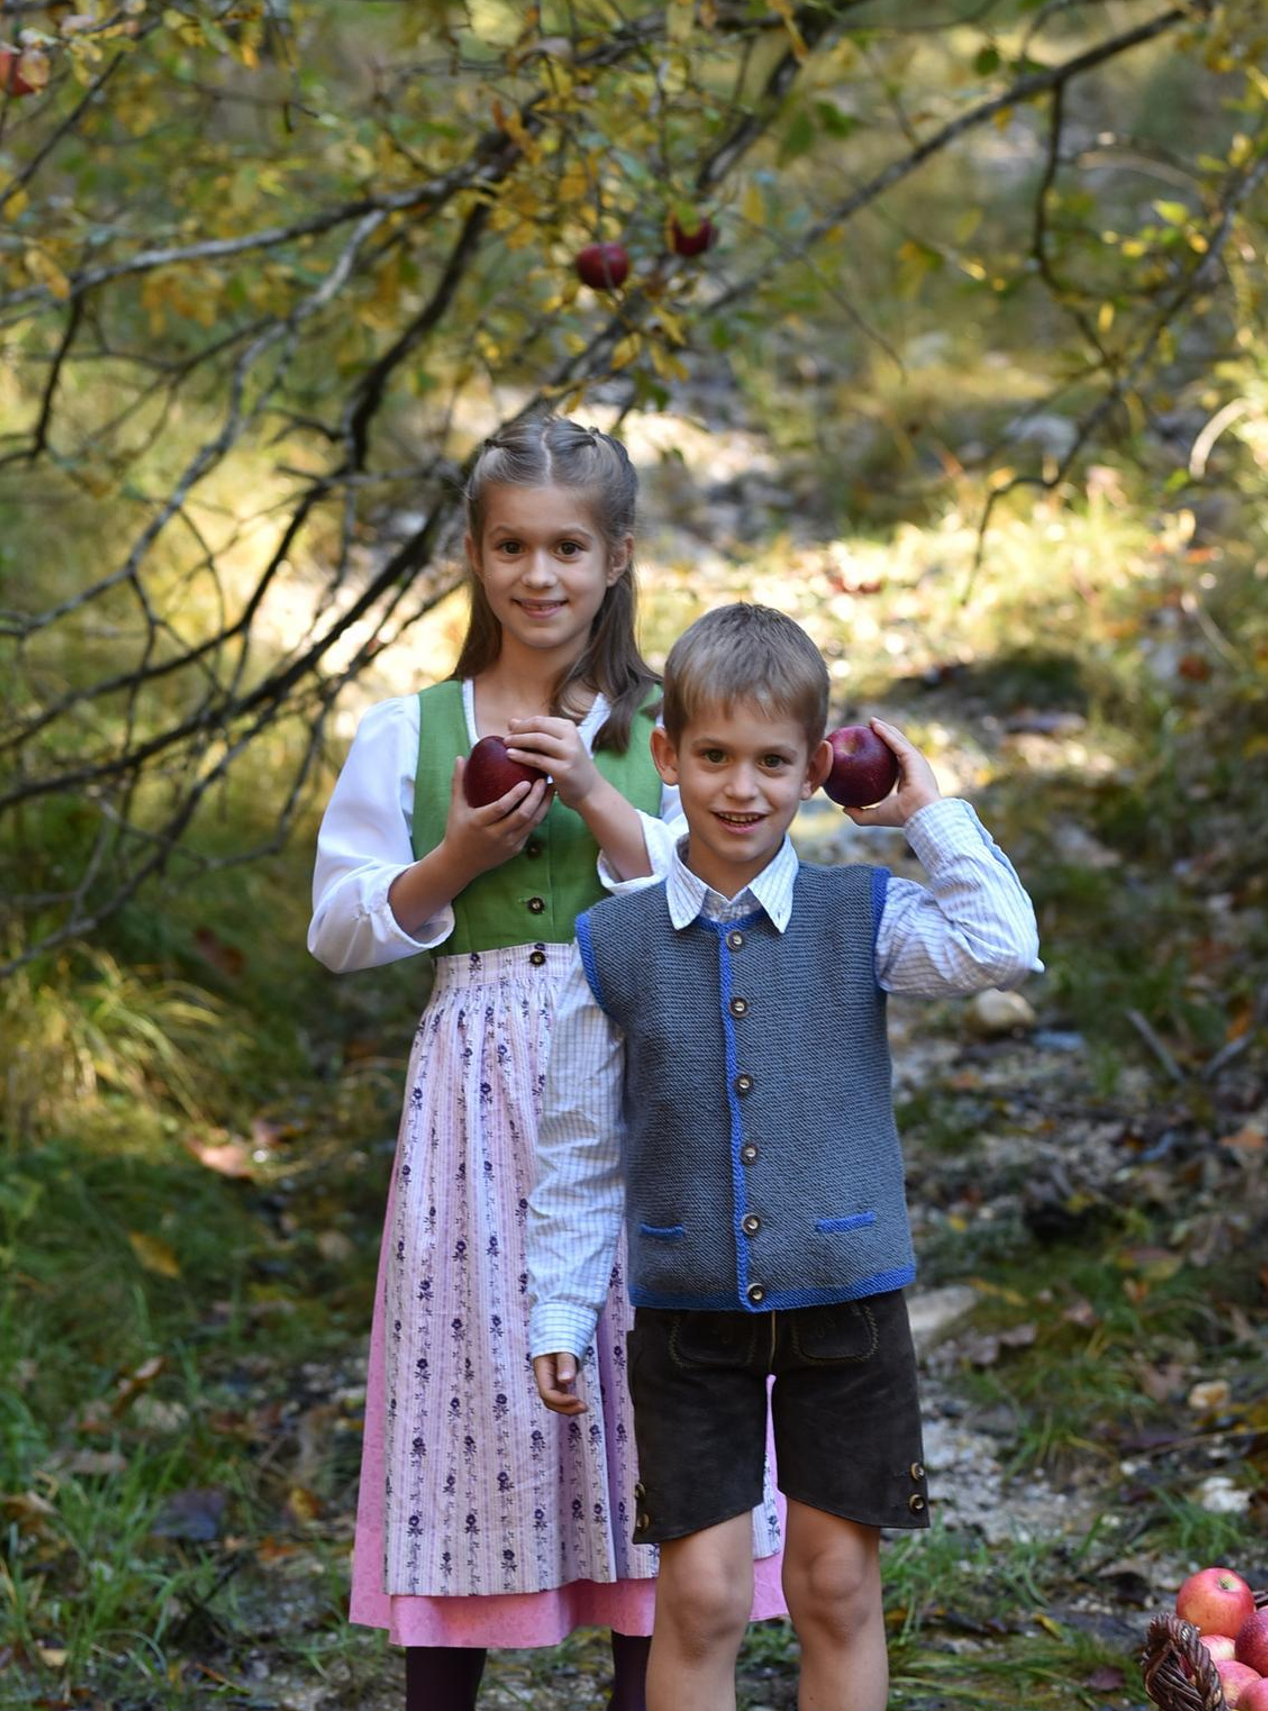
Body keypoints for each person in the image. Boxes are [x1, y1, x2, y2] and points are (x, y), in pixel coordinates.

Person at [308, 416, 783, 1711]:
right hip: (474, 1086)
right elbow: (340, 930)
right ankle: (443, 1679)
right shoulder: (409, 734)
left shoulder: (674, 732)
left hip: (642, 1077)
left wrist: (603, 800)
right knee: (472, 1377)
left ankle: (648, 1677)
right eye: (513, 545)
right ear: (475, 555)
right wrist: (455, 858)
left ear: (617, 556)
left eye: (569, 546)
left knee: (640, 1380)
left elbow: (726, 897)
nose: (541, 575)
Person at [527, 601, 1042, 1711]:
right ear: (666, 758)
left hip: (845, 1301)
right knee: (703, 1594)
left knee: (835, 1584)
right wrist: (558, 1311)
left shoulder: (863, 914)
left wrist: (931, 812)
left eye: (772, 762)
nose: (741, 788)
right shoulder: (611, 944)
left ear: (816, 770)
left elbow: (1004, 945)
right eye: (712, 757)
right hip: (688, 1311)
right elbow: (578, 1150)